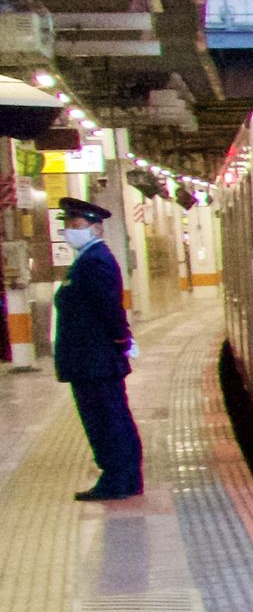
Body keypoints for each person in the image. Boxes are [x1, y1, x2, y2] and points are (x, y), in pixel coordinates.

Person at [52, 196, 141, 501]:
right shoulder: (87, 259)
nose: (69, 229)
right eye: (67, 224)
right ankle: (125, 477)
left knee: (105, 421)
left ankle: (117, 479)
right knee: (110, 418)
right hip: (91, 361)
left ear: (96, 228)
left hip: (95, 361)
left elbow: (109, 309)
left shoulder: (95, 261)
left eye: (75, 224)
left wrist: (122, 341)